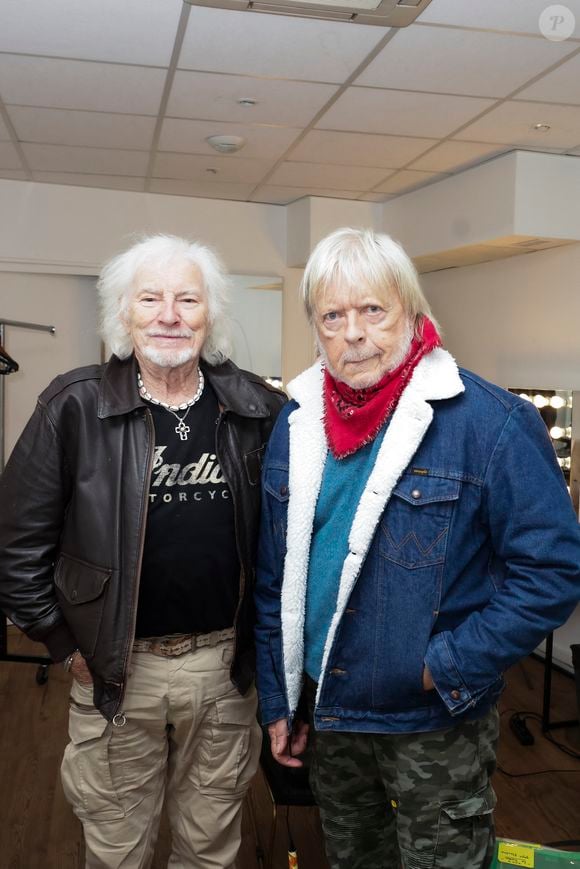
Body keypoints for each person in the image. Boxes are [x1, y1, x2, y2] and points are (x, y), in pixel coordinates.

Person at [254, 227, 580, 869]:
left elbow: (552, 571)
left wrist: (447, 665)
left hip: (432, 719)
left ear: (411, 311)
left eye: (373, 309)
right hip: (327, 707)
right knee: (353, 857)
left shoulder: (491, 422)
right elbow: (277, 575)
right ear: (316, 327)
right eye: (333, 316)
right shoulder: (295, 423)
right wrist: (280, 697)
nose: (353, 333)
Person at [0, 234, 285, 869]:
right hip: (115, 669)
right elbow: (15, 545)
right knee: (117, 847)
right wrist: (62, 644)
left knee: (210, 845)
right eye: (150, 298)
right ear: (123, 313)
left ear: (211, 314)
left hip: (224, 669)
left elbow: (291, 544)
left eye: (188, 299)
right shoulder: (73, 406)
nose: (169, 315)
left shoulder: (259, 408)